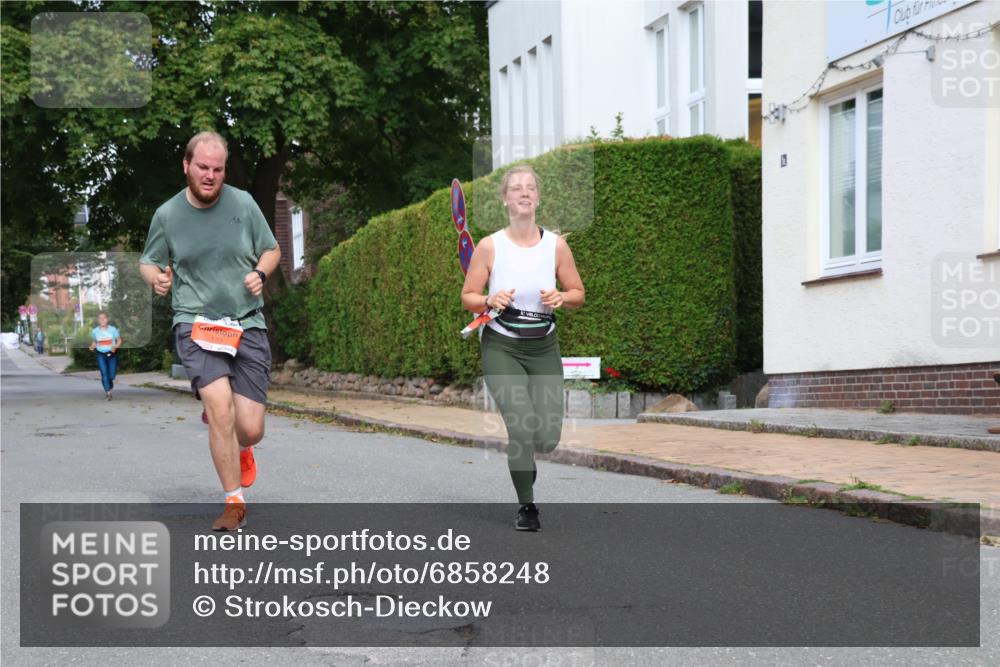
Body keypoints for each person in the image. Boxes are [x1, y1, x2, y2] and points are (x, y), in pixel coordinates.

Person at [139, 131, 280, 532]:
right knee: (220, 408)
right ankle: (234, 502)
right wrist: (156, 279)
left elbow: (271, 249)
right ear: (186, 165)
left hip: (246, 322)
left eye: (217, 169)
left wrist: (260, 273)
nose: (210, 175)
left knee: (250, 428)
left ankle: (243, 447)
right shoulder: (168, 215)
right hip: (196, 323)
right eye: (202, 167)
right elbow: (148, 260)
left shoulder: (244, 204)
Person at [461, 165, 584, 531]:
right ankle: (527, 506)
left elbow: (578, 293)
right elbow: (468, 297)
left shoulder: (556, 246)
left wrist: (562, 297)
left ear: (538, 198)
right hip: (502, 347)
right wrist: (489, 299)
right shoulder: (490, 246)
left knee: (545, 439)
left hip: (544, 347)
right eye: (516, 188)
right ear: (505, 199)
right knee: (520, 425)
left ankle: (526, 463)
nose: (524, 192)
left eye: (530, 187)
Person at [89, 312, 122, 400]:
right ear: (98, 320)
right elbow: (94, 342)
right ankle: (108, 392)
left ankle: (110, 383)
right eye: (100, 318)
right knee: (104, 374)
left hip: (112, 354)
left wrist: (115, 346)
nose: (102, 320)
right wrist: (92, 346)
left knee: (111, 375)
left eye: (104, 318)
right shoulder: (95, 331)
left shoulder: (113, 330)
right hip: (100, 354)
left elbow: (119, 340)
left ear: (107, 319)